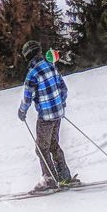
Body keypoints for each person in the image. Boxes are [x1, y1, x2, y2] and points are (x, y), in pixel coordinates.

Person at [16, 41, 78, 191]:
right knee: (53, 145)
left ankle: (49, 179)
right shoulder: (51, 66)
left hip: (45, 117)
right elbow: (63, 88)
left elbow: (27, 97)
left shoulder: (32, 74)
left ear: (27, 56)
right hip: (58, 114)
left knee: (41, 149)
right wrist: (61, 104)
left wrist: (22, 111)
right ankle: (64, 177)